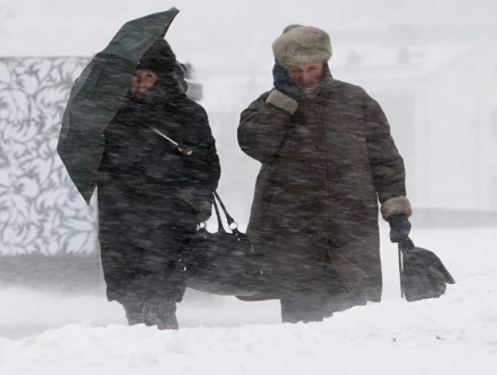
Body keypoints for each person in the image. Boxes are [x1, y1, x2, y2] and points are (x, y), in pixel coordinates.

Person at [237, 25, 413, 324]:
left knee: (355, 315)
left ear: (324, 64)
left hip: (350, 228)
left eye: (311, 68)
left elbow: (384, 158)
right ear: (281, 70)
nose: (304, 77)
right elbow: (258, 146)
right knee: (302, 319)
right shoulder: (270, 104)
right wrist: (282, 102)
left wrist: (395, 209)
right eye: (295, 70)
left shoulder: (356, 101)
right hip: (292, 232)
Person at [96, 38, 220, 329]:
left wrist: (191, 198)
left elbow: (207, 164)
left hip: (168, 218)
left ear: (163, 76)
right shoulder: (110, 115)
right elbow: (98, 165)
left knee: (160, 296)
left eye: (148, 76)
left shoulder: (187, 113)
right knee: (130, 296)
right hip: (120, 217)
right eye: (134, 76)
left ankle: (162, 353)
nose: (140, 83)